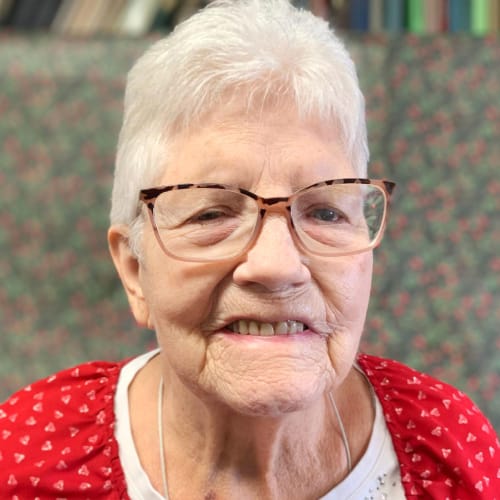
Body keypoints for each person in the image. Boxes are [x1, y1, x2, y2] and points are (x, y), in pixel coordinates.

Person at [0, 0, 498, 498]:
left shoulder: (451, 447)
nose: (277, 267)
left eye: (325, 212)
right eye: (212, 214)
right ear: (134, 269)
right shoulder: (25, 463)